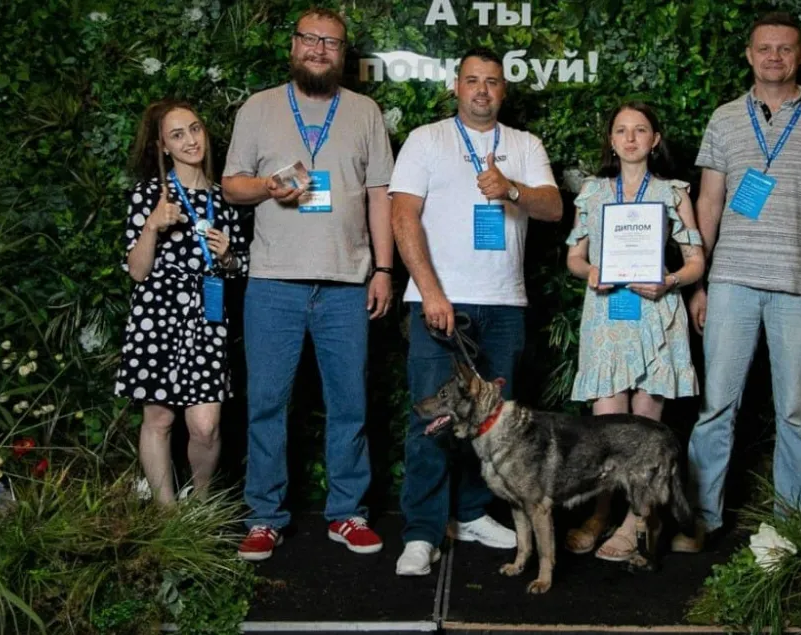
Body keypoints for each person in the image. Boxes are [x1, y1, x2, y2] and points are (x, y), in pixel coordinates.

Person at [681, 12, 801, 549]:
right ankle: (699, 518)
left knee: (796, 412)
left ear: (800, 55)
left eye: (785, 49)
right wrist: (698, 281)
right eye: (765, 48)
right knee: (715, 405)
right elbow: (708, 203)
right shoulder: (725, 119)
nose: (775, 57)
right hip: (732, 281)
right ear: (749, 54)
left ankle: (793, 527)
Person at [222, 7, 395, 561]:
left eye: (332, 43)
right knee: (268, 404)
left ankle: (347, 513)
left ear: (343, 55)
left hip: (346, 283)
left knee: (350, 404)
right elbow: (230, 187)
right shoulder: (259, 107)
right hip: (274, 283)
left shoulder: (365, 111)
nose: (320, 50)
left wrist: (385, 270)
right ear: (293, 46)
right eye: (311, 40)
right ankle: (264, 517)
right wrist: (269, 187)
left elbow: (378, 197)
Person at [389, 47, 563, 576]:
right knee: (432, 421)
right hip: (440, 302)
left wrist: (509, 188)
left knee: (495, 427)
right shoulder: (427, 139)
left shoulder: (524, 145)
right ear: (456, 87)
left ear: (503, 91)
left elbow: (554, 207)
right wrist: (431, 292)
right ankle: (421, 533)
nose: (482, 90)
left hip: (504, 302)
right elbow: (402, 217)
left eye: (491, 81)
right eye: (472, 80)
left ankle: (470, 514)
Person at [561, 102, 705, 562]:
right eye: (621, 130)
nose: (630, 138)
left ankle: (638, 522)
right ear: (611, 139)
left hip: (655, 313)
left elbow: (696, 260)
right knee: (605, 432)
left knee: (643, 432)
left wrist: (669, 280)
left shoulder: (672, 193)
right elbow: (574, 257)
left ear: (655, 139)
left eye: (640, 130)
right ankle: (602, 512)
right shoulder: (593, 192)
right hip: (607, 313)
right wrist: (591, 272)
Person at [117, 99, 249, 506]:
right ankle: (166, 515)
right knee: (159, 418)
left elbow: (240, 267)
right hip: (157, 314)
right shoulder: (148, 195)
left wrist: (228, 256)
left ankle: (201, 507)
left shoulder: (225, 197)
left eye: (195, 129)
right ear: (162, 146)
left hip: (207, 319)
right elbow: (137, 271)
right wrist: (153, 226)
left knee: (206, 425)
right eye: (178, 135)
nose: (191, 140)